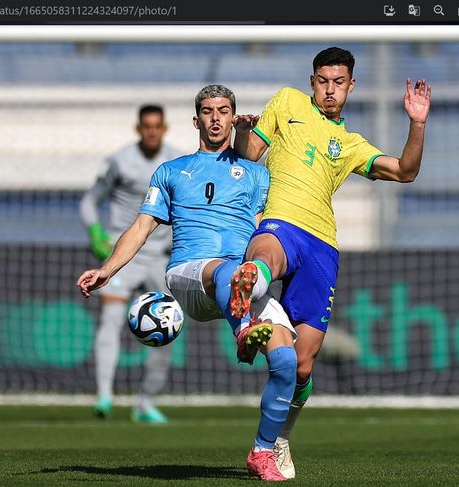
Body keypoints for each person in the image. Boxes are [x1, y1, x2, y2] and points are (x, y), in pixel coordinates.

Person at [78, 84, 297, 481]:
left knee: (286, 362)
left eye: (224, 111)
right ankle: (244, 331)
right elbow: (142, 226)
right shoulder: (171, 172)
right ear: (196, 120)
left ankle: (262, 451)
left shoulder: (257, 175)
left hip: (240, 282)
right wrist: (108, 269)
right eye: (208, 111)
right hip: (189, 275)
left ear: (234, 118)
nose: (216, 118)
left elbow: (270, 230)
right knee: (233, 273)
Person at [232, 46, 432, 479]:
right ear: (311, 82)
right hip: (280, 220)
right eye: (322, 81)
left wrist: (416, 124)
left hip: (322, 244)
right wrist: (243, 133)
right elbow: (248, 157)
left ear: (351, 86)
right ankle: (248, 287)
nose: (329, 90)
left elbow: (405, 171)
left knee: (302, 366)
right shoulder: (286, 102)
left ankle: (275, 441)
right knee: (265, 253)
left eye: (338, 83)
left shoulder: (352, 144)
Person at [79, 104, 182, 423]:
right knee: (111, 318)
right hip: (122, 256)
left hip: (159, 259)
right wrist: (96, 232)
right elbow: (89, 201)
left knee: (169, 328)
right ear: (138, 128)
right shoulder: (120, 161)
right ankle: (105, 396)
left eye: (157, 126)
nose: (152, 131)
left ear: (165, 128)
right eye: (146, 126)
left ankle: (145, 403)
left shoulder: (177, 163)